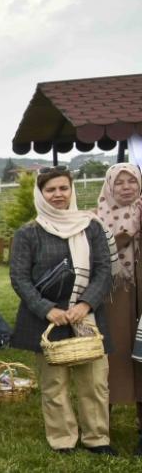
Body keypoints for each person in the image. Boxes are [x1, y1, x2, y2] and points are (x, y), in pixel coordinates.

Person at [10, 165, 114, 455]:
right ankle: (63, 439)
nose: (58, 194)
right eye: (51, 190)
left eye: (63, 188)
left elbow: (104, 270)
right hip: (48, 321)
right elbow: (19, 278)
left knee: (94, 383)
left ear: (72, 190)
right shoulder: (29, 233)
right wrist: (46, 309)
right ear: (41, 194)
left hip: (87, 317)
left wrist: (86, 303)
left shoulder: (91, 226)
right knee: (54, 385)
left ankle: (97, 439)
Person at [95, 163, 142, 454]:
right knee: (113, 357)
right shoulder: (98, 220)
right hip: (115, 296)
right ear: (109, 186)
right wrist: (128, 233)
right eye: (119, 182)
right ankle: (101, 428)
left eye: (132, 181)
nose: (126, 187)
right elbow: (100, 253)